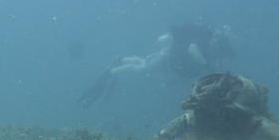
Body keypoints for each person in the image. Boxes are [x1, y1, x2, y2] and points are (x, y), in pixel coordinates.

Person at [78, 24, 235, 107]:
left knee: (145, 63)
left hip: (168, 57)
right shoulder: (203, 42)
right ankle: (112, 71)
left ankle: (121, 60)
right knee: (142, 69)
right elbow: (192, 50)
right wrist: (206, 65)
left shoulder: (206, 43)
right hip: (168, 57)